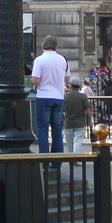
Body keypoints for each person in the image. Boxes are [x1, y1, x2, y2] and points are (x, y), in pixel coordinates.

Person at [31, 35, 69, 164]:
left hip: (43, 96)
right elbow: (67, 79)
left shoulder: (39, 60)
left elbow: (35, 80)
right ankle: (57, 161)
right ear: (56, 46)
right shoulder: (63, 60)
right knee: (57, 129)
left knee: (43, 129)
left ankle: (45, 160)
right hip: (58, 97)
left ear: (43, 45)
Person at [63, 76, 92, 164]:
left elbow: (62, 109)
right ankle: (75, 158)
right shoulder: (82, 96)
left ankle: (71, 158)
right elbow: (88, 110)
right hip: (80, 122)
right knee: (78, 141)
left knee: (69, 142)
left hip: (68, 122)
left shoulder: (65, 96)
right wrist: (90, 120)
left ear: (70, 85)